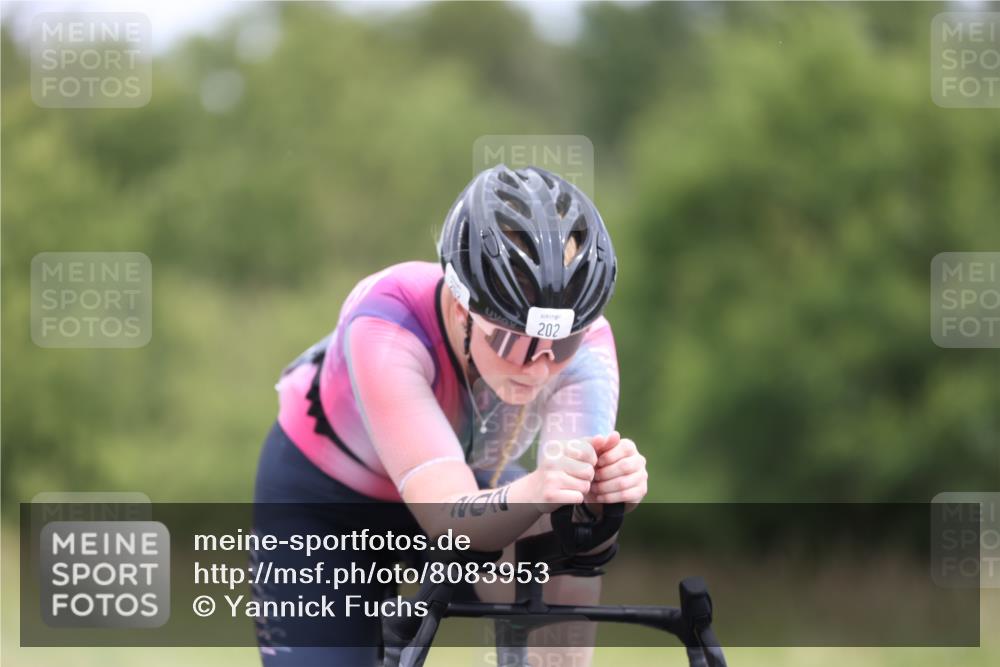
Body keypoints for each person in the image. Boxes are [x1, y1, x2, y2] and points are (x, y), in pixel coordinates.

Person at [251, 164, 649, 666]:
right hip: (326, 499)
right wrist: (536, 490)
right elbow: (447, 516)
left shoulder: (589, 346)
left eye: (563, 342)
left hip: (468, 479)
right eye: (514, 339)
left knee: (557, 554)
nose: (540, 364)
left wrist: (604, 500)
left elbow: (570, 539)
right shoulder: (387, 320)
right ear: (462, 310)